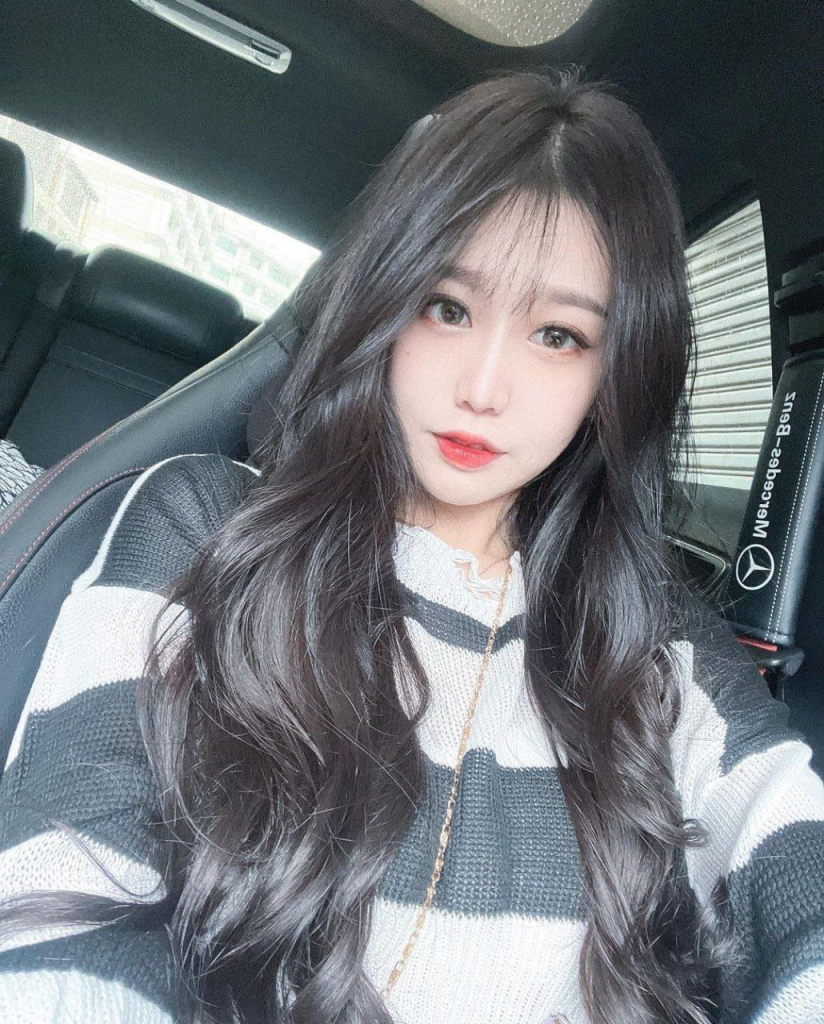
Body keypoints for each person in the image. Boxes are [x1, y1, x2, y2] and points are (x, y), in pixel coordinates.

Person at [0, 66, 822, 1024]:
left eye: (558, 335)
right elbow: (69, 888)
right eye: (447, 307)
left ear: (618, 367)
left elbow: (796, 878)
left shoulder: (659, 645)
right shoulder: (206, 527)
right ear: (384, 303)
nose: (483, 386)